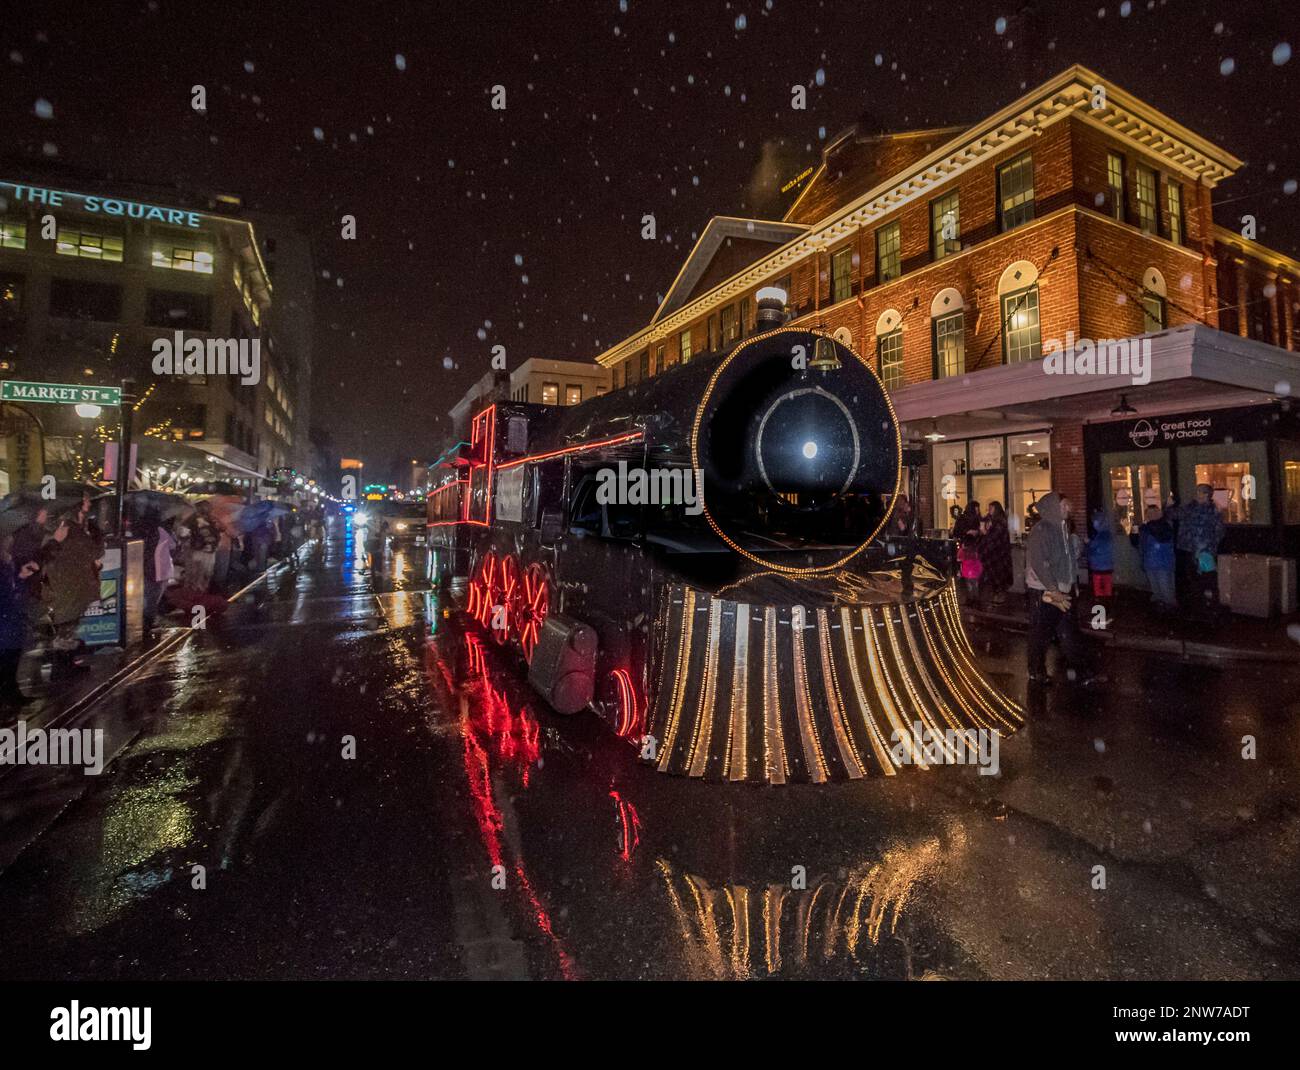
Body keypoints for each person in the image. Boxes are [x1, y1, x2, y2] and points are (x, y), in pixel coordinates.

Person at [1024, 491, 1104, 688]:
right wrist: (1053, 589)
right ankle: (1036, 672)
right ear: (1053, 507)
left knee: (1069, 633)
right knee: (1041, 633)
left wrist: (1071, 586)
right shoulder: (1041, 530)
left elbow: (1068, 562)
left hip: (1062, 590)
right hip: (1045, 592)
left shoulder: (1062, 529)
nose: (1067, 509)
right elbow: (1039, 564)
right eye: (1062, 506)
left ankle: (1082, 671)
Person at [0, 535, 40, 707]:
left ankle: (12, 693)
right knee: (5, 661)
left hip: (12, 621)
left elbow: (14, 588)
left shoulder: (9, 563)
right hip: (5, 621)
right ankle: (7, 696)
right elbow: (7, 592)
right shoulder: (3, 565)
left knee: (12, 660)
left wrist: (21, 577)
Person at [1175, 483, 1224, 612]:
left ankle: (1210, 607)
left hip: (1205, 551)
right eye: (1198, 492)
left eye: (1202, 492)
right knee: (1194, 580)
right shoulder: (1190, 508)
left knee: (1208, 579)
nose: (1199, 495)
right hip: (1191, 550)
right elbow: (1175, 515)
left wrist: (1208, 546)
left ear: (1208, 495)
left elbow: (1219, 531)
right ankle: (1198, 607)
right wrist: (1168, 507)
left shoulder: (1213, 510)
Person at [1132, 504, 1176, 611]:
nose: (1151, 515)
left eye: (1153, 512)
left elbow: (1164, 538)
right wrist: (1133, 534)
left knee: (1165, 585)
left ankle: (1169, 605)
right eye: (1149, 513)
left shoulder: (1164, 525)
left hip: (1162, 561)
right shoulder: (1145, 528)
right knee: (1155, 586)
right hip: (1149, 561)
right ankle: (1161, 604)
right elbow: (1136, 543)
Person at [979, 501, 1013, 605]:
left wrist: (985, 532)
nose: (989, 511)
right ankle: (996, 594)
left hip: (998, 554)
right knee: (995, 575)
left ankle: (999, 595)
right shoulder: (994, 521)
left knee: (998, 575)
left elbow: (994, 538)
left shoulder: (999, 523)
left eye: (991, 509)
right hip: (996, 554)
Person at [186, 500, 219, 593]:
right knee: (196, 574)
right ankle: (195, 594)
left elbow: (219, 531)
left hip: (209, 551)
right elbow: (184, 533)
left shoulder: (211, 519)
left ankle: (202, 593)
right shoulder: (192, 519)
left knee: (206, 574)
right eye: (205, 507)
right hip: (198, 550)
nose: (208, 509)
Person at [1086, 508, 1115, 599]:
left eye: (1095, 521)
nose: (1094, 523)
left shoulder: (1101, 535)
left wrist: (1088, 543)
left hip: (1098, 566)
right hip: (1107, 565)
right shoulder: (1107, 534)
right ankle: (1106, 605)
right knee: (1107, 588)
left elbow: (1095, 547)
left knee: (1098, 588)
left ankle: (1100, 607)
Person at [957, 532, 983, 604]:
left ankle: (970, 600)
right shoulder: (975, 549)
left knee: (969, 586)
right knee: (976, 585)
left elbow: (958, 559)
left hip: (967, 572)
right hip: (976, 571)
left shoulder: (963, 550)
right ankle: (976, 600)